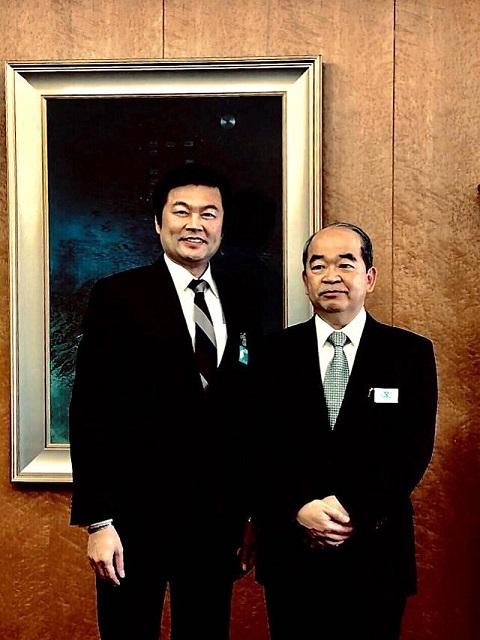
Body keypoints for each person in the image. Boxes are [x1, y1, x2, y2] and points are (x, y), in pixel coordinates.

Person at [69, 163, 260, 639]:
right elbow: (91, 411)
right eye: (181, 211)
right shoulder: (118, 296)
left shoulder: (244, 297)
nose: (195, 224)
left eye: (209, 213)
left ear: (223, 225)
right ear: (158, 222)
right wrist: (99, 522)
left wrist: (250, 514)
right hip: (132, 521)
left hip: (216, 522)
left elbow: (249, 414)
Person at [254, 222, 438, 640]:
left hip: (376, 551)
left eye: (346, 264)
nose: (331, 276)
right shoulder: (272, 354)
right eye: (318, 266)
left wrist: (352, 508)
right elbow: (257, 448)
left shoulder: (408, 353)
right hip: (292, 551)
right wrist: (298, 509)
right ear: (305, 279)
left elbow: (412, 450)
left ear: (369, 277)